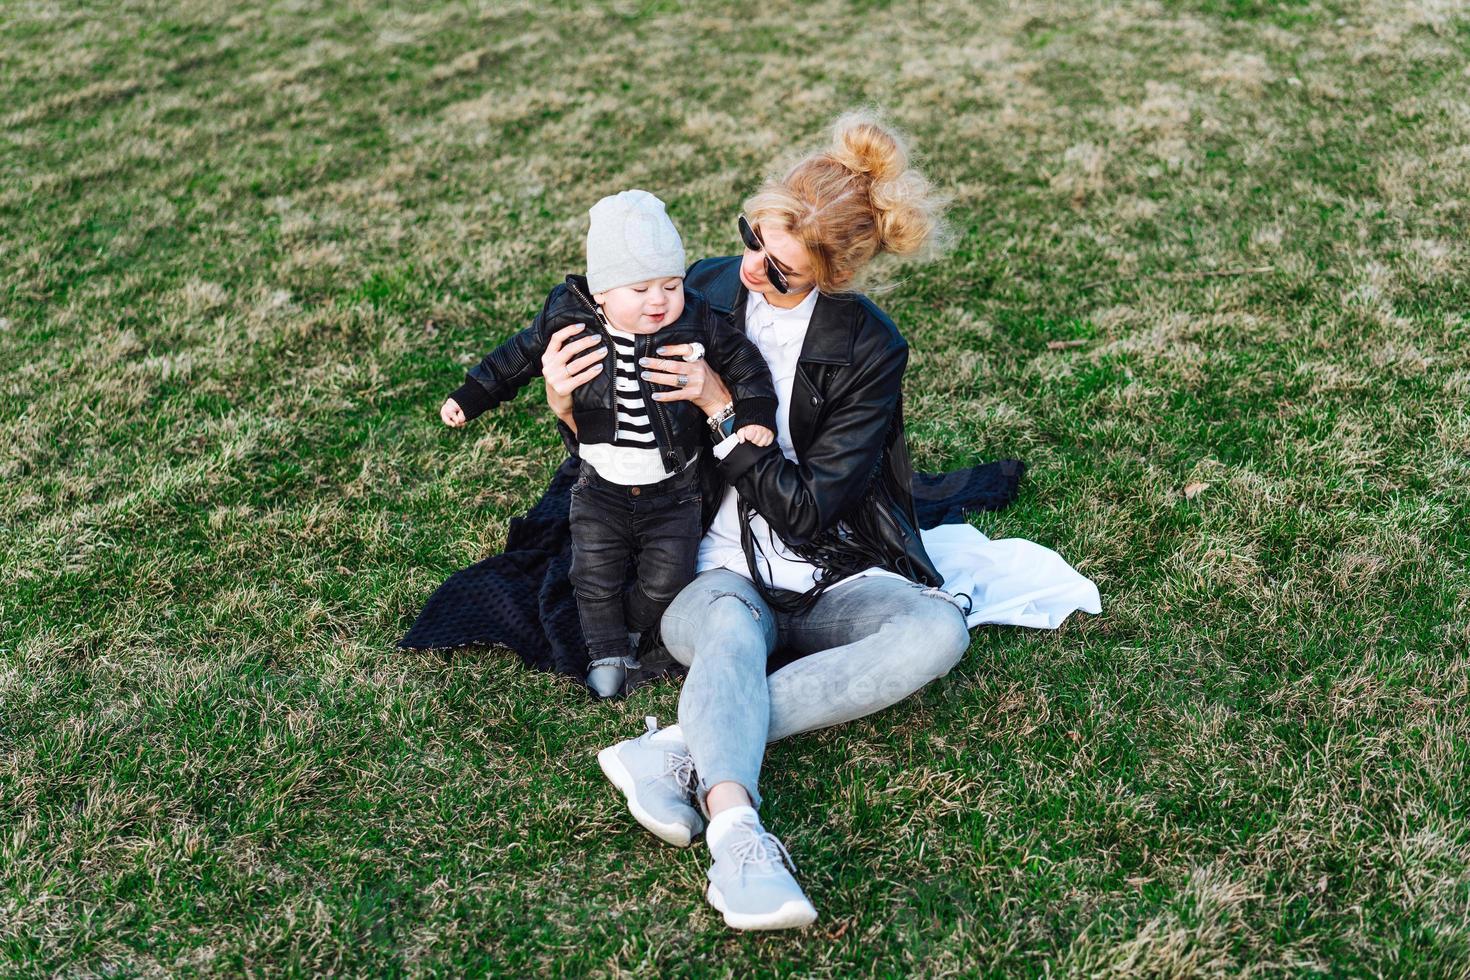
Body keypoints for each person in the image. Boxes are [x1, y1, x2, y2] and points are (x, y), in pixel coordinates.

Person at [546, 112, 973, 930]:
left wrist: (719, 414)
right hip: (706, 561)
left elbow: (812, 508)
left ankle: (676, 743)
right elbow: (614, 444)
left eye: (777, 269)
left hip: (823, 564)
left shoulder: (869, 348)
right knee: (732, 640)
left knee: (937, 634)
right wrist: (565, 402)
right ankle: (738, 837)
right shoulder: (699, 290)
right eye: (751, 239)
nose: (746, 270)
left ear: (832, 275)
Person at [438, 189, 777, 698]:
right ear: (601, 293)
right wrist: (473, 394)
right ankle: (605, 652)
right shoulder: (567, 317)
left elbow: (744, 361)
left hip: (675, 488)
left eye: (670, 284)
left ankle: (634, 630)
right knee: (592, 576)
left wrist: (752, 412)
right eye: (640, 289)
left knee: (669, 579)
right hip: (599, 487)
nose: (659, 301)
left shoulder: (697, 318)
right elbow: (517, 356)